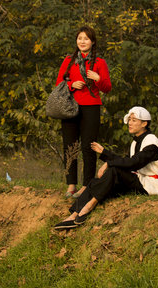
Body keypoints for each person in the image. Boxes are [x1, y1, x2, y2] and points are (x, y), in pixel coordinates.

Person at [53, 106, 158, 230]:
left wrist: (108, 163)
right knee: (95, 182)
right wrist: (104, 153)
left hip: (151, 185)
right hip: (139, 181)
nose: (130, 123)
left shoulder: (152, 143)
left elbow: (133, 163)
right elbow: (126, 161)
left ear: (144, 123)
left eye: (134, 120)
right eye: (129, 120)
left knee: (114, 170)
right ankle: (74, 215)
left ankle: (87, 208)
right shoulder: (135, 142)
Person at [57, 26, 112, 198]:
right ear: (76, 41)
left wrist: (98, 78)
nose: (82, 41)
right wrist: (71, 85)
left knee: (88, 147)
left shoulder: (100, 62)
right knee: (70, 146)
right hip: (70, 107)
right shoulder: (68, 60)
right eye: (80, 38)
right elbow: (59, 83)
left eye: (86, 39)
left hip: (91, 107)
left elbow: (107, 88)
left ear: (92, 42)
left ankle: (87, 185)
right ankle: (71, 185)